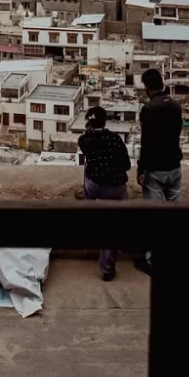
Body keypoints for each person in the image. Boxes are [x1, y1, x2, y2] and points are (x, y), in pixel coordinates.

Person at [135, 68, 183, 275]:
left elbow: (147, 141)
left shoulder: (149, 109)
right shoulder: (175, 105)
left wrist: (141, 168)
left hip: (155, 169)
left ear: (147, 87)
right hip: (175, 166)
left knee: (154, 218)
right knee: (174, 217)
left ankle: (153, 261)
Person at [78, 106, 132, 281]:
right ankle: (108, 268)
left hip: (96, 187)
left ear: (89, 123)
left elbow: (90, 148)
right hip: (117, 188)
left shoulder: (84, 140)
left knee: (87, 171)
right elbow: (127, 165)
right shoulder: (115, 139)